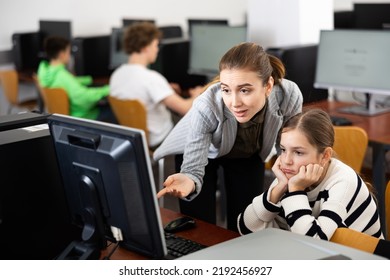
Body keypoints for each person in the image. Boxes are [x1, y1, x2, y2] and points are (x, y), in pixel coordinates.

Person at [154, 42, 303, 231]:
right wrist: (189, 177)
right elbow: (193, 164)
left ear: (268, 86)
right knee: (200, 227)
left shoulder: (288, 95)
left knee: (246, 224)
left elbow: (289, 146)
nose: (234, 103)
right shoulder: (207, 104)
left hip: (247, 152)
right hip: (203, 151)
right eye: (226, 89)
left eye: (245, 90)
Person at [237, 108, 383, 240]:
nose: (286, 161)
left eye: (298, 152)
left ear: (325, 156)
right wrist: (277, 189)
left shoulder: (343, 182)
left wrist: (295, 191)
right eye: (283, 150)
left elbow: (314, 241)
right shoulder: (290, 176)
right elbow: (245, 228)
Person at [109, 22, 203, 149]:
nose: (157, 49)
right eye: (155, 45)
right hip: (160, 138)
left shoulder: (116, 75)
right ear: (145, 47)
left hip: (135, 138)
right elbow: (186, 109)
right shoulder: (151, 78)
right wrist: (197, 95)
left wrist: (165, 90)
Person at [37, 36, 116, 123]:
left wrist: (88, 80)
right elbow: (84, 97)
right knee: (113, 110)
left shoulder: (44, 71)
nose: (70, 55)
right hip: (80, 117)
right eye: (68, 52)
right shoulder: (63, 76)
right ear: (61, 54)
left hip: (60, 116)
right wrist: (108, 89)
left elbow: (68, 82)